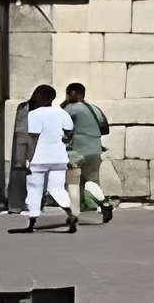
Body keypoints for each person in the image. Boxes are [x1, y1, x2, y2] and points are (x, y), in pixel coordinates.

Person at [14, 82, 78, 233]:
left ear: (38, 97)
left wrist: (24, 158)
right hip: (59, 157)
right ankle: (70, 213)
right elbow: (69, 132)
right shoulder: (62, 113)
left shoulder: (34, 115)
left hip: (39, 158)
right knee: (57, 188)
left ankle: (32, 222)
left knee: (35, 189)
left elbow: (32, 138)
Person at [63, 81, 114, 223]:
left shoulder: (70, 109)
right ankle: (104, 203)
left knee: (72, 182)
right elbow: (105, 128)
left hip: (76, 151)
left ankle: (73, 214)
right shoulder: (94, 108)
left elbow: (62, 128)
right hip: (95, 150)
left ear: (70, 94)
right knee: (91, 181)